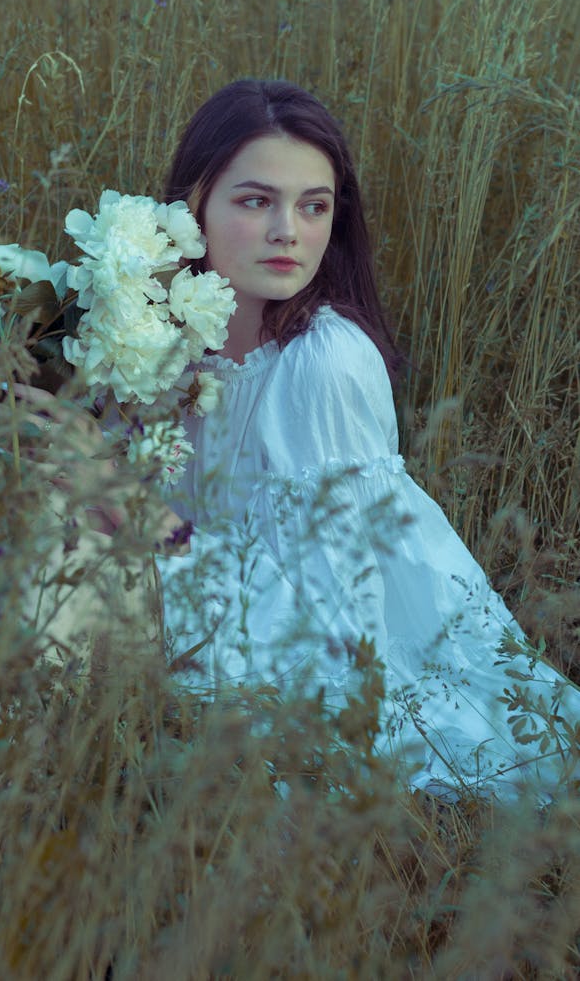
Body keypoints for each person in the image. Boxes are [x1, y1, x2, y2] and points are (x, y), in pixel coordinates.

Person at [155, 78, 579, 801]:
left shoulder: (323, 362)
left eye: (313, 206)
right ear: (193, 206)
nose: (289, 230)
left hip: (300, 649)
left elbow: (329, 621)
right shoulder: (144, 339)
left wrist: (156, 533)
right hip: (185, 617)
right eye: (256, 201)